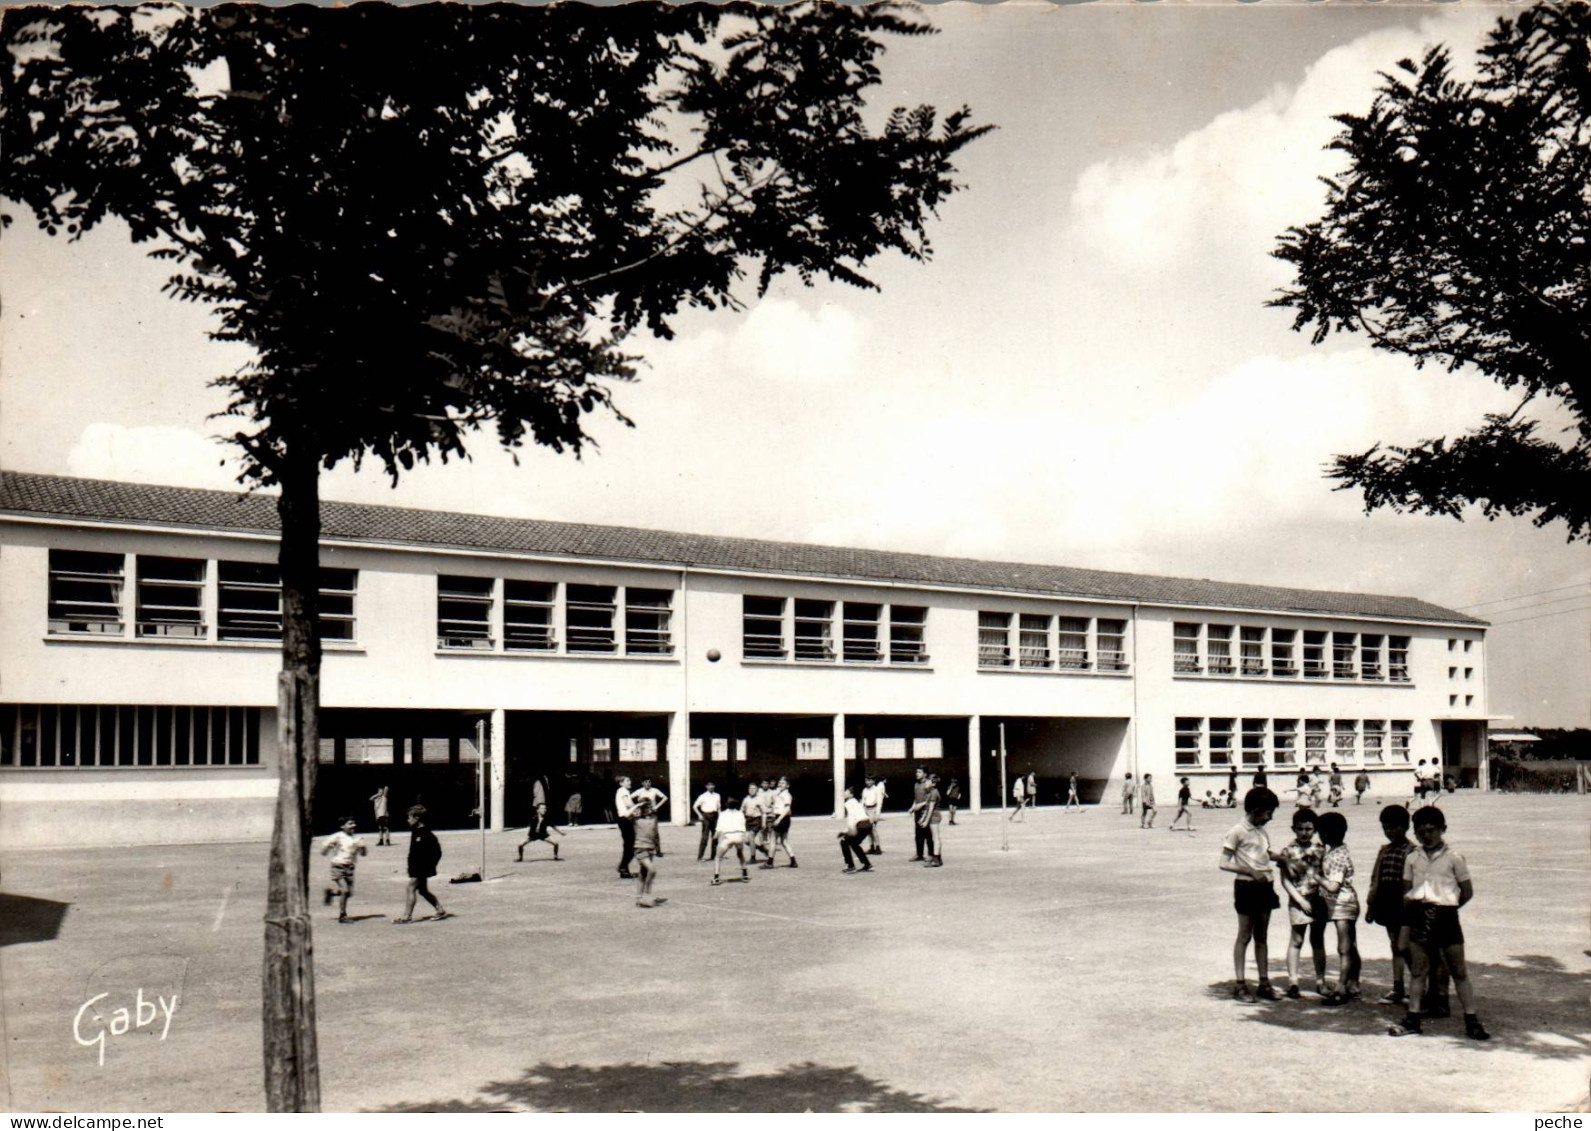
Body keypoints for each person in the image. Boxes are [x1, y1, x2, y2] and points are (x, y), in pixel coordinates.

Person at [1390, 806, 1489, 1040]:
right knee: (1418, 972)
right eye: (1421, 831)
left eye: (1432, 830)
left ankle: (1472, 1020)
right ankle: (1412, 1019)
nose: (1427, 835)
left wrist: (1447, 908)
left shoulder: (1454, 858)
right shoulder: (1412, 858)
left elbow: (1467, 892)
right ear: (1415, 833)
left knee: (1459, 970)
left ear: (1442, 829)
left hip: (1446, 917)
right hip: (1419, 916)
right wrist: (1417, 914)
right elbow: (1407, 890)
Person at [1219, 786, 1282, 1003]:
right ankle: (1240, 985)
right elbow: (1223, 863)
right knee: (1245, 935)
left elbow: (1265, 854)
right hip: (1247, 888)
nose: (1270, 817)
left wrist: (1285, 859)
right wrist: (1250, 871)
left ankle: (1264, 983)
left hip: (1266, 887)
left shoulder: (1261, 830)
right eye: (1268, 813)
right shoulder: (1237, 831)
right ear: (1256, 810)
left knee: (1262, 937)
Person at [1365, 804, 1413, 1006]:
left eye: (1394, 827)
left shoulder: (1412, 851)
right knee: (1395, 945)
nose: (1389, 832)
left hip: (1405, 904)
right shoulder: (1384, 851)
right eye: (1385, 828)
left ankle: (1420, 985)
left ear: (1405, 826)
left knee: (1406, 947)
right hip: (1387, 902)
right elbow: (1375, 878)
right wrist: (1370, 904)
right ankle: (1398, 986)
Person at [1277, 807, 1327, 999]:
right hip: (1298, 902)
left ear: (1314, 830)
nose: (1304, 833)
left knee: (1317, 941)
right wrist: (1299, 900)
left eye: (1308, 829)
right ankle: (1293, 981)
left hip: (1318, 900)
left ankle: (1320, 980)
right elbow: (1285, 881)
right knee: (1296, 941)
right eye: (1300, 829)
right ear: (1293, 829)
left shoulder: (1320, 850)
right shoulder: (1287, 851)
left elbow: (1324, 875)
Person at [396, 806, 450, 923]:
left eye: (409, 818)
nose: (408, 820)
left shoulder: (426, 834)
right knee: (423, 891)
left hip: (421, 868)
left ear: (417, 818)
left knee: (410, 888)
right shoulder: (415, 831)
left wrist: (429, 867)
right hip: (416, 867)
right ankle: (440, 910)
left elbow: (437, 852)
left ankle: (406, 916)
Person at [320, 816, 368, 923]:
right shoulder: (337, 837)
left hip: (350, 868)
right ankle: (342, 915)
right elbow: (323, 852)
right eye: (350, 824)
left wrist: (363, 847)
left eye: (354, 823)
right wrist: (328, 847)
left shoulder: (357, 839)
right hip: (338, 866)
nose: (353, 826)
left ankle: (332, 893)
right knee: (345, 890)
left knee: (349, 893)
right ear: (342, 826)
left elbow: (364, 854)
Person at [632, 800, 663, 908]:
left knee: (643, 874)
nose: (649, 808)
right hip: (640, 848)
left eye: (650, 806)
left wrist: (658, 848)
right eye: (646, 807)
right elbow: (627, 815)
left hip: (650, 848)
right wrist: (637, 805)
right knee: (652, 870)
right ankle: (647, 895)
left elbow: (656, 833)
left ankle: (638, 898)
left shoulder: (654, 819)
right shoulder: (636, 819)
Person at [764, 776, 799, 869]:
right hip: (783, 818)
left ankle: (770, 862)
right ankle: (793, 861)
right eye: (780, 783)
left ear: (788, 785)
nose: (780, 784)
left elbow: (787, 808)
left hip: (782, 818)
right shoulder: (780, 794)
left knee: (773, 840)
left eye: (783, 783)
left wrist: (778, 819)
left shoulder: (786, 795)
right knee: (784, 841)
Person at [838, 787, 874, 873]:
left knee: (844, 842)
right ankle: (867, 865)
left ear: (851, 794)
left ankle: (851, 866)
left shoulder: (849, 803)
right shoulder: (855, 801)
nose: (844, 793)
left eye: (846, 791)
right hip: (868, 825)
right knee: (854, 844)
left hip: (861, 825)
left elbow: (852, 817)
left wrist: (848, 830)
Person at [633, 777, 668, 857]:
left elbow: (665, 797)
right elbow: (629, 798)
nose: (648, 784)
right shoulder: (639, 791)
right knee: (640, 831)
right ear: (642, 783)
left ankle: (658, 850)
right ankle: (640, 849)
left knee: (655, 832)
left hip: (652, 812)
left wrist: (657, 806)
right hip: (642, 813)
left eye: (649, 782)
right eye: (645, 782)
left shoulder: (654, 790)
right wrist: (636, 808)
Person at [614, 775, 637, 880]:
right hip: (625, 820)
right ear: (621, 783)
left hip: (626, 820)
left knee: (629, 846)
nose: (629, 782)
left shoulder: (623, 791)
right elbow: (628, 804)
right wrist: (638, 809)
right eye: (627, 780)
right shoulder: (622, 791)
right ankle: (623, 867)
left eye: (629, 780)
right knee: (630, 846)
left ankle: (624, 870)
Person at [693, 781, 721, 862]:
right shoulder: (703, 796)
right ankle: (700, 857)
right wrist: (699, 815)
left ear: (714, 786)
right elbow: (695, 806)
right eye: (709, 785)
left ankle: (714, 856)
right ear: (706, 787)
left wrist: (720, 817)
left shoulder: (717, 795)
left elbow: (719, 807)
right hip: (706, 816)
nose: (711, 787)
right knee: (705, 837)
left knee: (715, 836)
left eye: (712, 785)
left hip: (715, 816)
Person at [920, 773, 944, 867]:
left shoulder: (934, 793)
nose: (925, 783)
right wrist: (923, 818)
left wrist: (926, 821)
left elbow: (930, 808)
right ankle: (938, 858)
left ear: (933, 783)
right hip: (932, 816)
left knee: (936, 837)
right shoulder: (930, 792)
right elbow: (927, 807)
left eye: (927, 781)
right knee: (935, 837)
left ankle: (936, 859)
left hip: (934, 816)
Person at [861, 776, 886, 853]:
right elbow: (863, 801)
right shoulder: (864, 790)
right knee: (868, 830)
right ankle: (871, 846)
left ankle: (878, 847)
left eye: (869, 780)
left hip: (873, 810)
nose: (867, 782)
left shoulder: (877, 790)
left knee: (873, 829)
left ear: (873, 781)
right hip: (866, 810)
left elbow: (879, 802)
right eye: (866, 781)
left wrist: (877, 813)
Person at [910, 769, 933, 857]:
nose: (917, 774)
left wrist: (920, 805)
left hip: (925, 812)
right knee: (918, 834)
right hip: (917, 812)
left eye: (919, 772)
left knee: (927, 834)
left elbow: (930, 799)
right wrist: (912, 807)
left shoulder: (928, 784)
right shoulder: (916, 784)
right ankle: (919, 854)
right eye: (916, 772)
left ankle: (931, 854)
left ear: (925, 774)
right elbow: (915, 799)